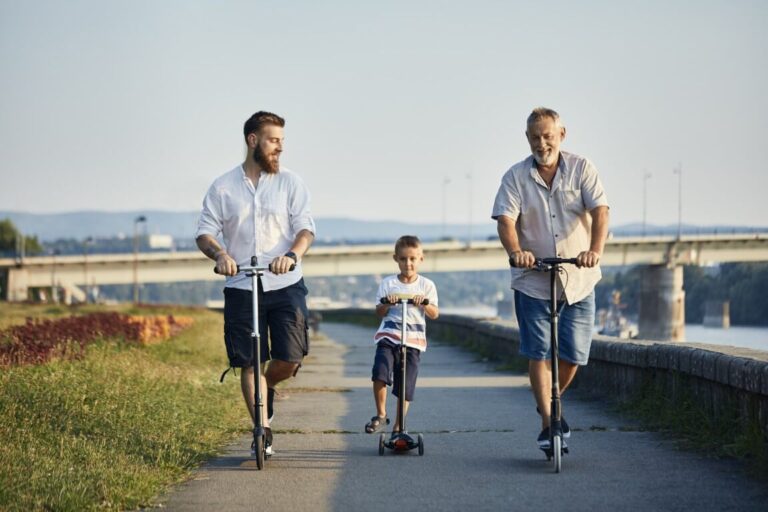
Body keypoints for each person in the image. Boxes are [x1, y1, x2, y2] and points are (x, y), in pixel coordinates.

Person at [195, 110, 316, 456]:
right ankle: (261, 430)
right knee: (249, 361)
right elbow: (205, 233)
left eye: (281, 141)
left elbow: (305, 229)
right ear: (253, 141)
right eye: (274, 140)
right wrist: (220, 255)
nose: (280, 148)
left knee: (290, 359)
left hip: (285, 283)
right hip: (241, 285)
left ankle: (267, 390)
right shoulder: (223, 187)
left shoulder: (291, 183)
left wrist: (291, 255)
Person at [491, 107, 609, 450]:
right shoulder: (514, 177)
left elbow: (600, 211)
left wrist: (594, 250)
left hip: (578, 277)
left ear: (561, 134)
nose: (541, 143)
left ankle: (550, 398)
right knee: (538, 352)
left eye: (547, 135)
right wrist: (517, 252)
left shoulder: (582, 168)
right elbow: (505, 221)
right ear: (527, 139)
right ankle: (549, 420)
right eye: (534, 137)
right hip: (533, 279)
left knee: (574, 353)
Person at [364, 235, 439, 436]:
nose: (408, 264)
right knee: (380, 371)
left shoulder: (427, 286)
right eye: (404, 259)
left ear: (421, 259)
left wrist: (424, 303)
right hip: (389, 336)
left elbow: (434, 313)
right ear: (396, 259)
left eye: (413, 259)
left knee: (405, 383)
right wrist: (388, 303)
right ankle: (381, 414)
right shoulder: (388, 284)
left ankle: (399, 425)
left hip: (413, 341)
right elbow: (379, 311)